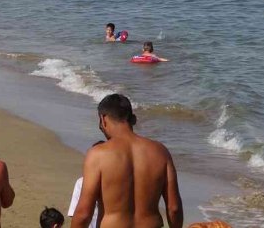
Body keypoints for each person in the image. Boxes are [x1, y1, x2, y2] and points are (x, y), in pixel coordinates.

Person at [71, 94, 183, 228]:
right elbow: (174, 208)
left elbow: (84, 213)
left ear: (103, 119)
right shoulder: (160, 152)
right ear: (131, 119)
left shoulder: (98, 155)